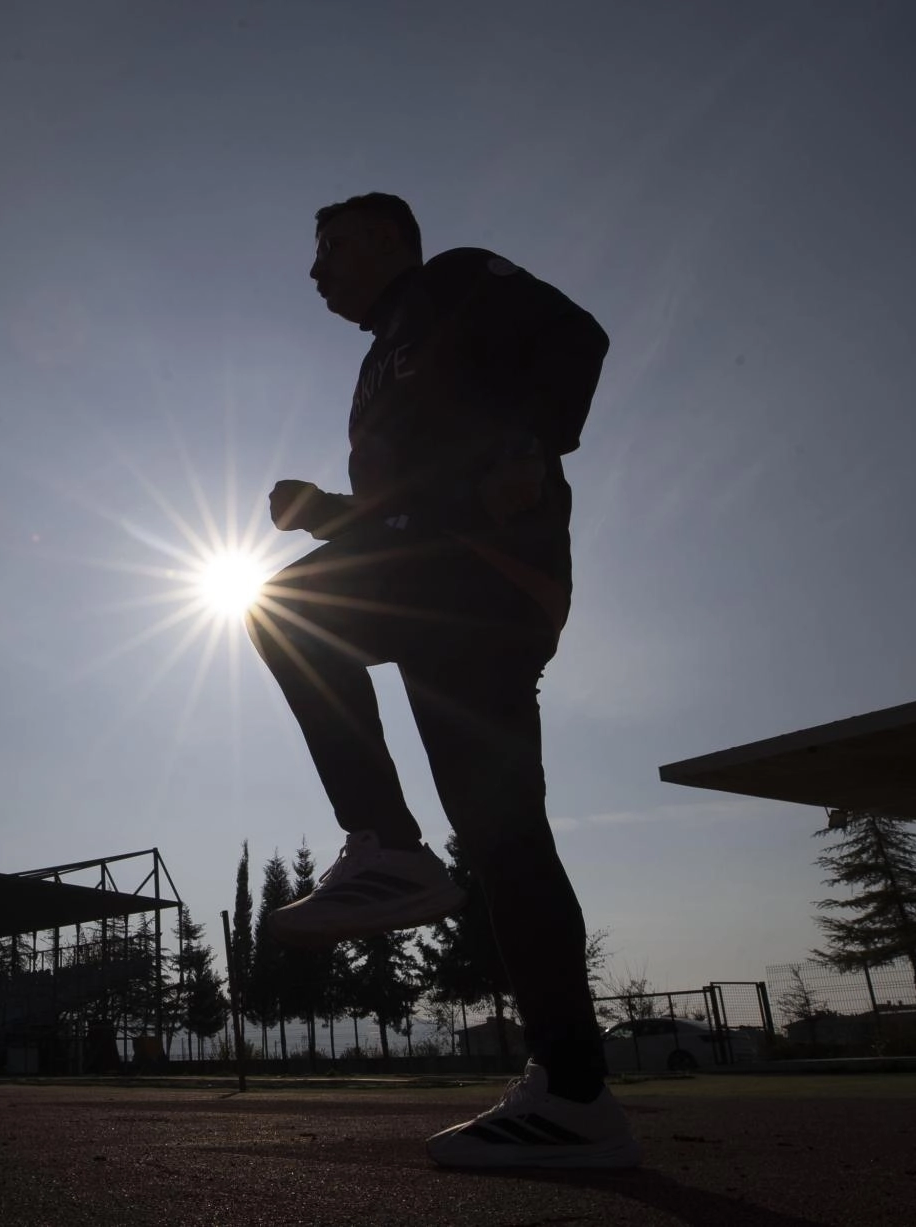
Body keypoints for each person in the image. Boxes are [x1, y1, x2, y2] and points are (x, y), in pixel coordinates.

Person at [247, 192, 638, 1169]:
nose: (316, 270)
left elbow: (577, 337)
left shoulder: (455, 282)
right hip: (442, 596)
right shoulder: (377, 365)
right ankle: (575, 1096)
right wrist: (326, 512)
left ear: (389, 238)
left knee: (283, 608)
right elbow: (403, 508)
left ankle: (387, 843)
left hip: (482, 568)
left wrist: (527, 444)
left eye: (332, 246)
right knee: (505, 841)